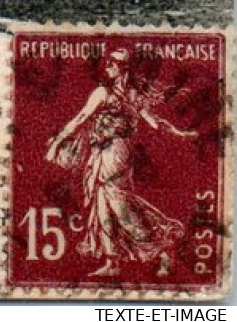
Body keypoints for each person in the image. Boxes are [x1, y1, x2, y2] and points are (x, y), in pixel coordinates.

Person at [45, 46, 196, 278]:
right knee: (102, 204)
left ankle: (162, 249)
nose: (108, 66)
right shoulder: (101, 93)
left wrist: (180, 134)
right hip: (100, 153)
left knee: (120, 205)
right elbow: (81, 118)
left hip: (117, 153)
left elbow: (156, 123)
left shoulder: (131, 96)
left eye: (113, 63)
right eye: (108, 63)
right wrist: (59, 140)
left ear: (123, 69)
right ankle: (112, 261)